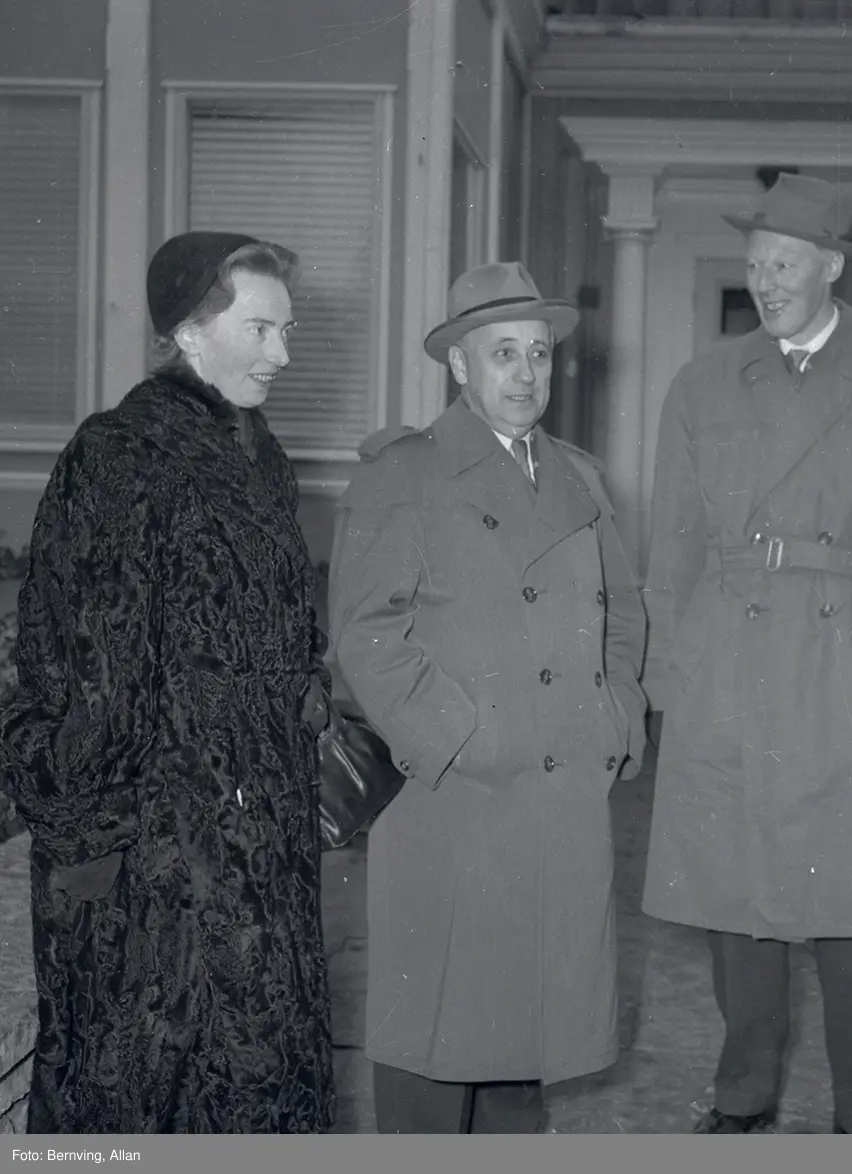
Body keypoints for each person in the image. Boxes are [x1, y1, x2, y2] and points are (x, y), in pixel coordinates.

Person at [640, 175, 852, 1135]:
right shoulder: (702, 383)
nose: (765, 281)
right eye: (755, 264)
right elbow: (673, 548)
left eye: (784, 263)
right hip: (729, 654)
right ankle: (744, 1092)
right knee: (735, 891)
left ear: (831, 266)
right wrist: (664, 683)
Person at [0, 232, 335, 1133]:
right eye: (260, 329)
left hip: (261, 842)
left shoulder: (258, 453)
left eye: (287, 330)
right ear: (189, 333)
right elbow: (80, 665)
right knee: (155, 1088)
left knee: (259, 1077)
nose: (282, 353)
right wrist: (89, 842)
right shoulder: (117, 455)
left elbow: (275, 629)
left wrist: (300, 696)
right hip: (158, 861)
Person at [329, 261, 648, 1134]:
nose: (525, 374)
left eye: (538, 354)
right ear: (459, 364)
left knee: (523, 1044)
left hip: (560, 799)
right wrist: (455, 737)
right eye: (502, 353)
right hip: (454, 798)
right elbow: (363, 631)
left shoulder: (578, 476)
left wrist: (615, 717)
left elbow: (623, 612)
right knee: (434, 1042)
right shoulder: (405, 473)